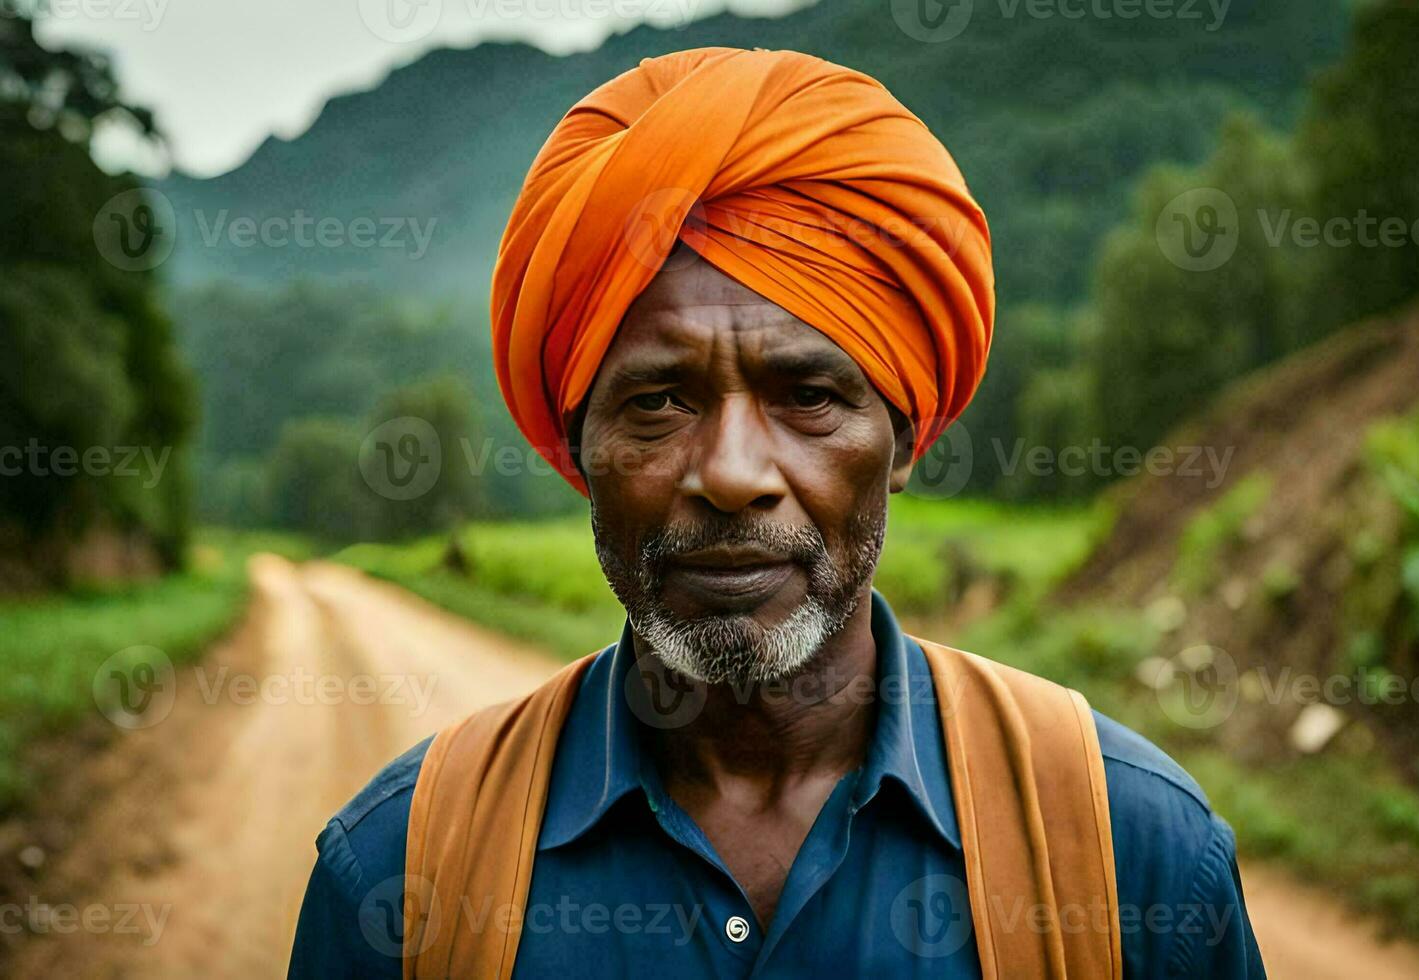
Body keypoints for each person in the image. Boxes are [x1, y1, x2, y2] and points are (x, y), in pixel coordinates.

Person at [288, 46, 1264, 979]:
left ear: (906, 439)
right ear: (577, 445)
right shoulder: (400, 877)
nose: (732, 473)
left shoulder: (1136, 863)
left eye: (808, 394)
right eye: (659, 401)